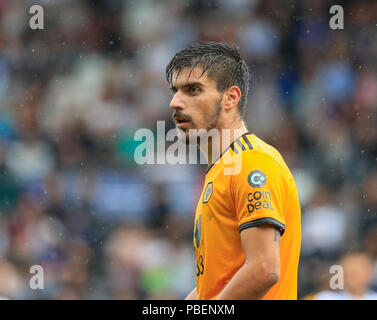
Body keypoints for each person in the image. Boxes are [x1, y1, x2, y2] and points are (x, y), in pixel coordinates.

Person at [165, 42, 301, 300]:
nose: (175, 102)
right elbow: (214, 285)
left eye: (192, 90)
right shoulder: (221, 169)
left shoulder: (252, 162)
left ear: (230, 97)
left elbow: (264, 269)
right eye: (175, 91)